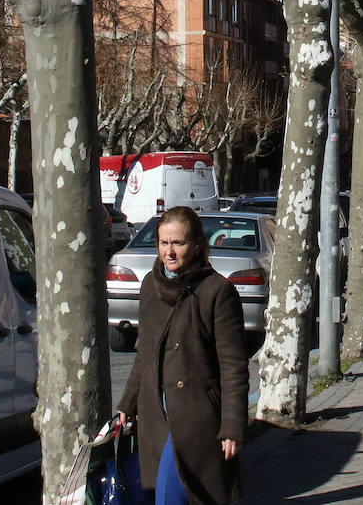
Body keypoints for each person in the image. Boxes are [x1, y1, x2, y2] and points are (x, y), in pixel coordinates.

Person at [117, 206, 248, 505]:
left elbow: (233, 366)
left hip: (197, 419)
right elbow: (145, 354)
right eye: (164, 243)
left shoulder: (217, 291)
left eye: (178, 243)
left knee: (172, 497)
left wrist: (233, 425)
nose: (170, 252)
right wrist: (127, 405)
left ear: (197, 245)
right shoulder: (150, 287)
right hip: (156, 416)